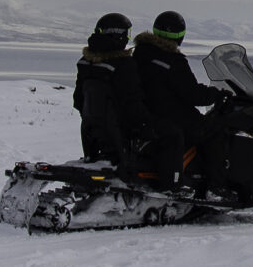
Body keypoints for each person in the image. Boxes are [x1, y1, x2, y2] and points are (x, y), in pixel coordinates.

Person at [131, 10, 228, 190]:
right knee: (214, 132)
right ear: (180, 36)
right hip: (171, 116)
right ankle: (215, 187)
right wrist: (216, 94)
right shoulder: (173, 61)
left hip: (147, 114)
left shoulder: (139, 54)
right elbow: (191, 93)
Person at [73, 12, 153, 168]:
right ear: (118, 36)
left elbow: (78, 100)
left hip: (91, 131)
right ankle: (169, 185)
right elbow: (132, 101)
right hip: (119, 131)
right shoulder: (123, 65)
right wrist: (146, 124)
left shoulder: (85, 62)